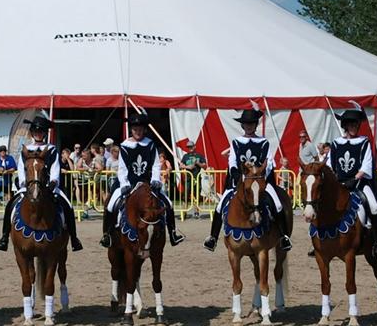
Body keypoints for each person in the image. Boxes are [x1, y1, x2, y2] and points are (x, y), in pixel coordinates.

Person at [203, 106, 293, 252]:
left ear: (256, 125)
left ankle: (283, 237)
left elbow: (269, 162)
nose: (249, 126)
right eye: (246, 123)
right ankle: (213, 238)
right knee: (220, 206)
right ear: (242, 125)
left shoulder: (264, 142)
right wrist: (238, 174)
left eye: (251, 123)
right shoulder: (236, 142)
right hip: (239, 182)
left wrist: (260, 173)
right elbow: (232, 161)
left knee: (277, 204)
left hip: (260, 181)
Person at [0, 115, 83, 252]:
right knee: (10, 204)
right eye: (36, 131)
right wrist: (24, 183)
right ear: (32, 133)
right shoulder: (26, 149)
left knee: (68, 205)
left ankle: (74, 238)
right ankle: (4, 237)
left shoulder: (51, 149)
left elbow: (55, 167)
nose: (38, 134)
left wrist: (54, 181)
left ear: (44, 133)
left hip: (49, 186)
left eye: (41, 131)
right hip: (28, 185)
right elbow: (21, 167)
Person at [100, 111, 185, 248]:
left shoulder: (150, 144)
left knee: (168, 203)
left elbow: (156, 164)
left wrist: (155, 179)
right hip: (128, 182)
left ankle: (173, 233)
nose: (137, 131)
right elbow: (122, 168)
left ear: (144, 129)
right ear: (131, 130)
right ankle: (107, 235)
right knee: (111, 205)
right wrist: (124, 184)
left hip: (148, 183)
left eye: (140, 129)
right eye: (135, 129)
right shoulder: (124, 145)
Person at [327, 103, 377, 257]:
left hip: (359, 183)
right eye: (351, 124)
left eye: (355, 124)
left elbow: (367, 164)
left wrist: (355, 179)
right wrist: (334, 181)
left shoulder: (364, 142)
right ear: (345, 125)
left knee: (374, 207)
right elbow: (329, 165)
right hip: (339, 184)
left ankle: (376, 242)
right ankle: (321, 241)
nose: (354, 127)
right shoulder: (336, 143)